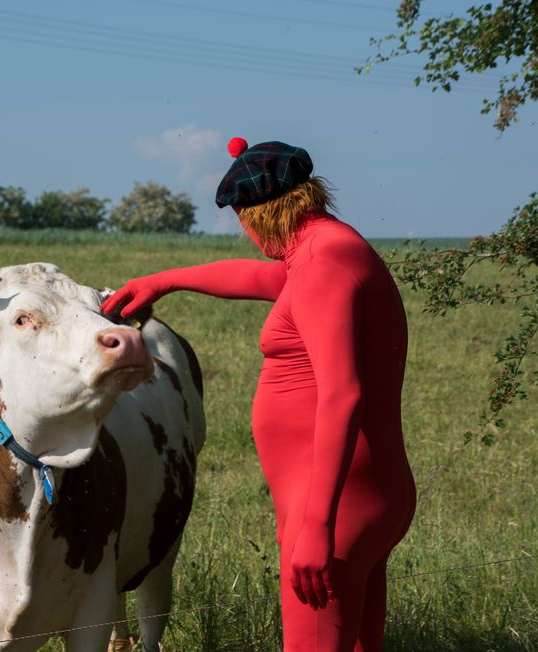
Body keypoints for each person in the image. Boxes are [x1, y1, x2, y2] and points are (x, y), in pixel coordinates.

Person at [101, 138, 416, 651]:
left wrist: (318, 527)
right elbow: (259, 276)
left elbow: (342, 395)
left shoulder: (322, 265)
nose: (246, 237)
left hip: (334, 503)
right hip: (355, 493)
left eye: (242, 223)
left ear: (257, 216)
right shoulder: (327, 249)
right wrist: (163, 281)